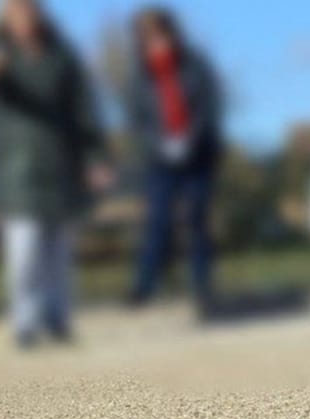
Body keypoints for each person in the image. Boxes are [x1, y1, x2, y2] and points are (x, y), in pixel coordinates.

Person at [0, 0, 112, 348]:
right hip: (17, 165)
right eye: (15, 12)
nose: (23, 18)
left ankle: (57, 317)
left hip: (60, 160)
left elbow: (84, 108)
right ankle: (25, 321)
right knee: (23, 250)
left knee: (58, 250)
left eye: (28, 10)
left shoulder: (62, 53)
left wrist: (95, 156)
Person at [126, 7, 225, 316]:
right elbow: (137, 122)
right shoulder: (139, 77)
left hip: (198, 153)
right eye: (148, 37)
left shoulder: (195, 65)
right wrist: (160, 145)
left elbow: (211, 105)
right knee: (158, 221)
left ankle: (202, 286)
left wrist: (191, 138)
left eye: (160, 35)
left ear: (172, 34)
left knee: (197, 217)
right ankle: (145, 286)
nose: (156, 42)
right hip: (160, 160)